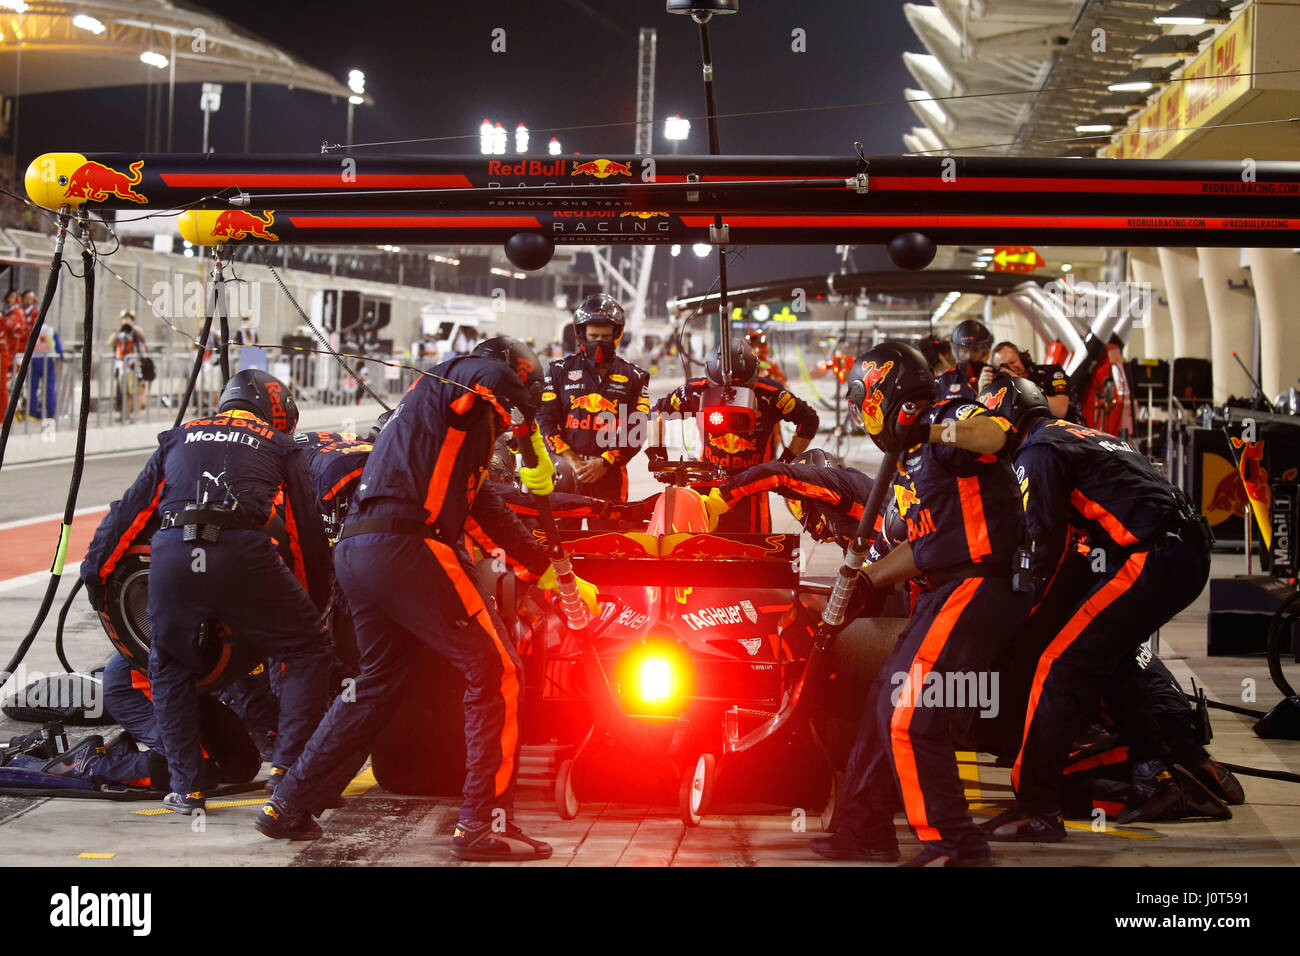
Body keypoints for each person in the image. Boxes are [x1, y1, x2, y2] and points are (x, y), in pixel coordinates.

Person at [256, 336, 600, 859]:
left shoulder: (446, 431)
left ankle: (289, 803)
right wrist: (532, 433)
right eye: (524, 388)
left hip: (362, 552)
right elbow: (488, 374)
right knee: (498, 673)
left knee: (375, 683)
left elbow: (487, 512)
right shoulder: (459, 377)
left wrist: (545, 570)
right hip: (409, 548)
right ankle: (484, 824)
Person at [812, 341, 1029, 866]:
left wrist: (926, 428)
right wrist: (867, 580)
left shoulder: (947, 417)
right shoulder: (911, 461)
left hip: (979, 586)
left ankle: (956, 847)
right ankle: (862, 830)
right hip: (944, 588)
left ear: (880, 393)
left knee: (909, 713)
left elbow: (995, 434)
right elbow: (927, 543)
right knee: (881, 705)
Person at [80, 369, 334, 815]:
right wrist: (313, 604)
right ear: (278, 411)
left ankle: (187, 790)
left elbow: (130, 512)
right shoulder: (281, 444)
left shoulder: (180, 436)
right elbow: (304, 531)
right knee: (308, 647)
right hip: (241, 550)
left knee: (169, 664)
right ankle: (288, 771)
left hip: (174, 551)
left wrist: (95, 572)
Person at [974, 375, 1214, 841]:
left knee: (1059, 664)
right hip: (1183, 551)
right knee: (1110, 661)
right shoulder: (1083, 435)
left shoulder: (1036, 451)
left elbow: (1040, 544)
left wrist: (1010, 604)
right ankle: (1155, 776)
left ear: (1005, 420)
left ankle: (1038, 807)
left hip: (1152, 555)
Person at [650, 342, 819, 533]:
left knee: (755, 551)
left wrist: (785, 462)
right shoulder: (694, 392)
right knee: (702, 550)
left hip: (752, 486)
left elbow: (809, 420)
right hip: (708, 486)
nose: (731, 397)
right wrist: (658, 457)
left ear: (755, 377)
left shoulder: (771, 395)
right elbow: (656, 413)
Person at [537, 294, 650, 528]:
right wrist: (572, 460)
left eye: (606, 337)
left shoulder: (635, 377)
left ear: (617, 335)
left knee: (609, 546)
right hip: (566, 474)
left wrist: (605, 462)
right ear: (581, 334)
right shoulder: (558, 371)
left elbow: (636, 429)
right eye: (594, 336)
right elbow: (545, 420)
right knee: (562, 543)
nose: (599, 342)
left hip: (610, 476)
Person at [980, 340, 1082, 424]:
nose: (1010, 368)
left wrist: (1020, 383)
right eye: (1004, 366)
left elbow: (1060, 411)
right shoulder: (1003, 387)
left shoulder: (1051, 372)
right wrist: (983, 390)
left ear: (1024, 359)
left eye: (1012, 362)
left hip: (1067, 432)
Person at [936, 318, 993, 400]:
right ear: (956, 352)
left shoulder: (995, 376)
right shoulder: (944, 380)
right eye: (964, 351)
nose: (969, 356)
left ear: (985, 351)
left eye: (975, 350)